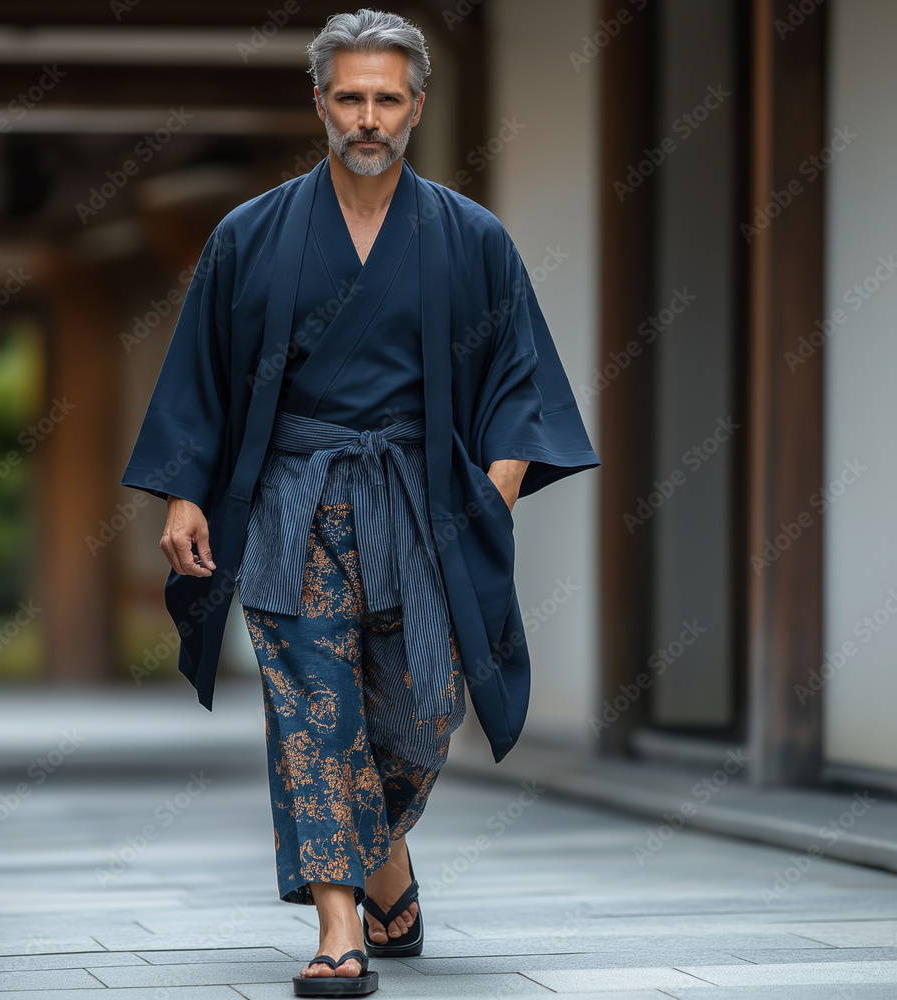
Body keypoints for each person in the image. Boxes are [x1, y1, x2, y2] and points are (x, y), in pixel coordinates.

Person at [120, 9, 599, 996]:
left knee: (426, 714)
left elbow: (522, 383)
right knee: (310, 713)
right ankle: (339, 928)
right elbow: (198, 378)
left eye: (387, 98)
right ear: (320, 103)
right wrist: (181, 493)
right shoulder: (249, 236)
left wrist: (491, 493)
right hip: (290, 497)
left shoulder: (472, 239)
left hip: (424, 501)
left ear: (416, 106)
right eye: (349, 97)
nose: (367, 117)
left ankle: (383, 857)